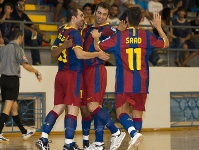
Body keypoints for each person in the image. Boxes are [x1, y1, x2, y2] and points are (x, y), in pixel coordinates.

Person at [91, 7, 169, 150]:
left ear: (126, 19)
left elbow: (98, 47)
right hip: (142, 82)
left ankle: (133, 133)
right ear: (141, 19)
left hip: (124, 81)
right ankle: (135, 144)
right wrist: (158, 27)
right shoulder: (146, 36)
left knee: (121, 113)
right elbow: (165, 43)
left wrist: (96, 37)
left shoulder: (119, 37)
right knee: (137, 114)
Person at [35, 8, 110, 150]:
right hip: (73, 75)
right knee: (73, 110)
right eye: (81, 16)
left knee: (58, 108)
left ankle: (43, 138)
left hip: (60, 75)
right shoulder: (75, 33)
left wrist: (63, 46)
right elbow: (80, 55)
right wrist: (97, 55)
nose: (83, 18)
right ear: (73, 18)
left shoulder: (62, 30)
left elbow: (53, 54)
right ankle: (69, 143)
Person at [81, 2, 126, 150]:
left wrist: (118, 28)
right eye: (99, 13)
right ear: (95, 12)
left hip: (96, 70)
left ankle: (116, 132)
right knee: (96, 108)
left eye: (104, 14)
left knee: (92, 106)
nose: (101, 16)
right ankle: (99, 142)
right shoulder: (89, 29)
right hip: (87, 71)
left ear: (107, 16)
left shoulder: (106, 29)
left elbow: (115, 29)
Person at [0, 28, 42, 143]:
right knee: (7, 109)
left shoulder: (3, 49)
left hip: (3, 80)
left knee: (14, 107)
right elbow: (26, 66)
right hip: (12, 80)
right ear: (20, 37)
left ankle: (24, 132)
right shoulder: (18, 49)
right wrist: (36, 71)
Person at [11, 0, 50, 65]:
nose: (21, 6)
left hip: (26, 38)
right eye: (19, 5)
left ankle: (36, 62)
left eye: (23, 5)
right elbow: (18, 24)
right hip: (17, 37)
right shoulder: (13, 14)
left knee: (34, 41)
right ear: (15, 6)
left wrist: (42, 34)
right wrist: (31, 30)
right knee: (28, 32)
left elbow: (33, 26)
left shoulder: (24, 15)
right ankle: (40, 39)